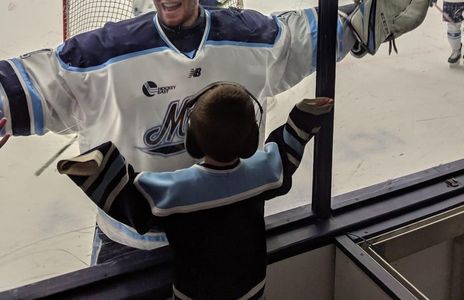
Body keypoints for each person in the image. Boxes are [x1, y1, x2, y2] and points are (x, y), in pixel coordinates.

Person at [0, 0, 430, 263]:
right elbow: (36, 81)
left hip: (221, 231)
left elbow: (298, 37)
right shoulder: (106, 51)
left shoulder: (247, 35)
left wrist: (354, 24)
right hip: (130, 244)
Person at [57, 83, 333, 299]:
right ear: (251, 141)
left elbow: (129, 200)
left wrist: (96, 164)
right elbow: (285, 151)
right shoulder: (261, 173)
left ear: (192, 141)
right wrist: (304, 116)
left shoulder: (176, 190)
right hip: (252, 290)